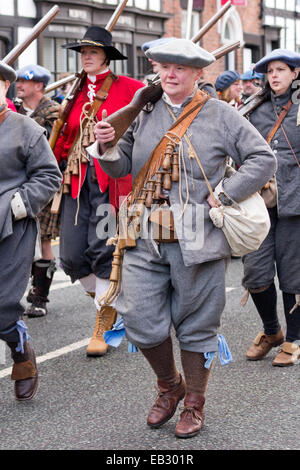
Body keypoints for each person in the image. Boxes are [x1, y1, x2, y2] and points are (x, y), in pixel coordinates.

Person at [89, 38, 276, 438]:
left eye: (180, 69)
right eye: (164, 67)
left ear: (196, 74)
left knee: (197, 324)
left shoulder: (221, 114)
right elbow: (120, 163)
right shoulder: (145, 110)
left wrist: (225, 194)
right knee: (139, 318)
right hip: (143, 233)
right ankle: (169, 387)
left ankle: (194, 401)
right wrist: (105, 142)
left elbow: (263, 158)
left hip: (200, 238)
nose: (170, 75)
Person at [53, 26, 144, 357]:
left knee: (103, 251)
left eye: (92, 51)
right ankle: (112, 302)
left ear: (107, 55)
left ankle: (103, 322)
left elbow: (145, 131)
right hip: (77, 180)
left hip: (113, 182)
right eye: (83, 52)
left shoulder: (132, 89)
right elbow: (64, 139)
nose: (86, 56)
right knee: (72, 258)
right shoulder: (74, 93)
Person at [0, 61, 62, 401]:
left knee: (4, 304)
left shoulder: (25, 128)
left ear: (5, 87)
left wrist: (16, 205)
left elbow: (49, 177)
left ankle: (20, 347)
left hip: (12, 227)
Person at [242, 49, 300, 367]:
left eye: (281, 69)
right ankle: (272, 331)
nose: (274, 75)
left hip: (297, 201)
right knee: (255, 273)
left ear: (295, 73)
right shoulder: (254, 107)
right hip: (259, 202)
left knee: (293, 275)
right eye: (270, 70)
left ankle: (293, 339)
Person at [15, 64, 61, 317]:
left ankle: (40, 297)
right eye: (18, 81)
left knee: (43, 237)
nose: (19, 85)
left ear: (39, 85)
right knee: (19, 238)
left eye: (25, 81)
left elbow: (57, 151)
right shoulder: (13, 111)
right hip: (15, 182)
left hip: (42, 183)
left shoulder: (54, 113)